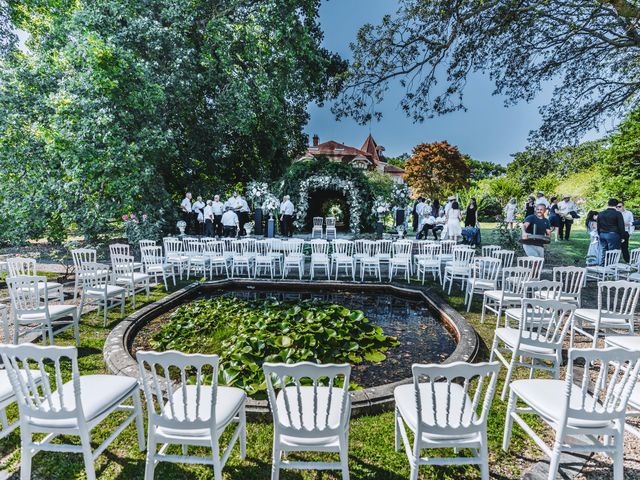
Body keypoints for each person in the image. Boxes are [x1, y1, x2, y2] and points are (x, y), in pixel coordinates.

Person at [597, 198, 625, 263]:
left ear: (608, 204)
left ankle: (603, 265)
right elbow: (621, 226)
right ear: (616, 205)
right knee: (613, 252)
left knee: (604, 250)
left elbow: (598, 225)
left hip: (602, 234)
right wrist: (622, 236)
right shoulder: (618, 214)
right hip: (613, 235)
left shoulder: (601, 213)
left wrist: (599, 234)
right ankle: (610, 267)